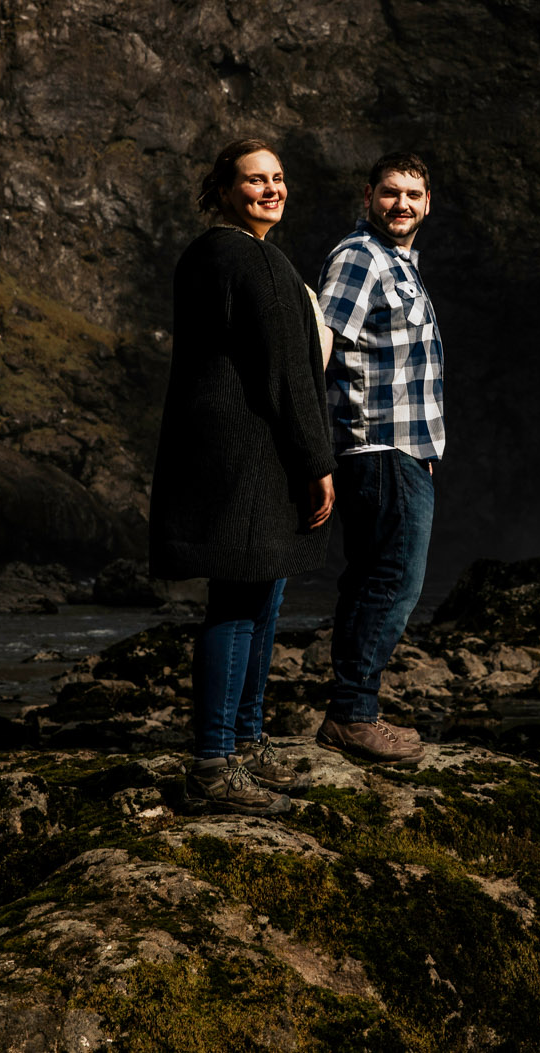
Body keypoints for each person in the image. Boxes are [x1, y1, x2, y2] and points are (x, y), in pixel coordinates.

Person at [149, 138, 335, 815]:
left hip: (217, 453)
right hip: (252, 457)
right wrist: (317, 463)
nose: (271, 189)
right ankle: (214, 761)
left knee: (259, 597)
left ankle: (245, 745)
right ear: (223, 188)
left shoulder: (202, 255)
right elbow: (288, 375)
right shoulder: (254, 258)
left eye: (279, 178)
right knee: (239, 606)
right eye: (255, 180)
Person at [314, 152, 444, 764]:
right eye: (390, 193)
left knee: (374, 576)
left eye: (413, 195)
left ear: (427, 203)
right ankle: (353, 715)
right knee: (394, 580)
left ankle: (353, 710)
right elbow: (323, 344)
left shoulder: (402, 264)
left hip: (402, 450)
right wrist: (312, 444)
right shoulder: (360, 256)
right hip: (375, 448)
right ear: (367, 195)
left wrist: (425, 450)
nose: (402, 204)